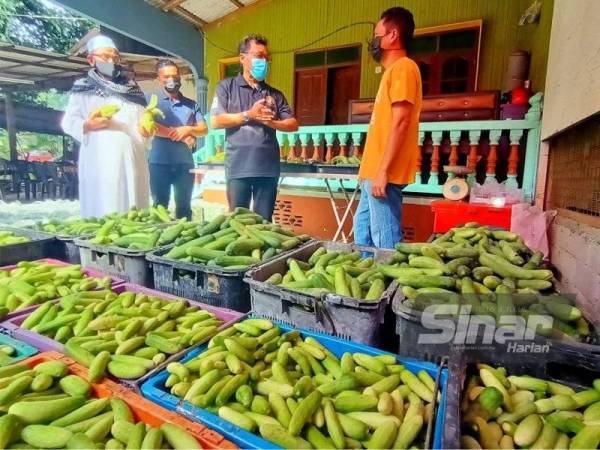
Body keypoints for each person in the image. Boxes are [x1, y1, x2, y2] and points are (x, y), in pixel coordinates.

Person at [354, 7, 422, 249]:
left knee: (385, 240)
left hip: (384, 172)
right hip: (373, 173)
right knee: (363, 233)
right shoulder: (392, 72)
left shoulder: (404, 68)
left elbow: (401, 121)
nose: (373, 40)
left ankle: (389, 286)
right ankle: (368, 283)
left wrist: (383, 171)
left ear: (392, 35)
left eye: (377, 33)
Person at [210, 34, 298, 220]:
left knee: (263, 224)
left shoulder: (274, 94)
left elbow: (293, 124)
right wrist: (248, 115)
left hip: (267, 168)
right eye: (259, 56)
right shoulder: (226, 87)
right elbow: (216, 121)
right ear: (243, 58)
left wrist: (271, 122)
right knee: (237, 223)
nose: (264, 61)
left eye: (266, 57)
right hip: (238, 166)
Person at [62, 35, 151, 218]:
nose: (110, 61)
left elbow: (144, 121)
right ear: (91, 59)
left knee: (135, 210)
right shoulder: (82, 88)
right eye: (104, 56)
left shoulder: (132, 88)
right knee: (105, 208)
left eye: (114, 57)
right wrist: (88, 124)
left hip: (133, 159)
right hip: (101, 160)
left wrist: (146, 132)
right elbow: (69, 121)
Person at [149, 59, 207, 219]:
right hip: (158, 163)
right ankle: (160, 243)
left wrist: (188, 129)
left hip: (185, 164)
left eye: (175, 76)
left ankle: (185, 242)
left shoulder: (191, 104)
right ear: (158, 79)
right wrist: (179, 135)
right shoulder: (152, 102)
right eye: (166, 76)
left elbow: (204, 129)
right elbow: (149, 125)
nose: (171, 80)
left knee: (184, 208)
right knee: (160, 208)